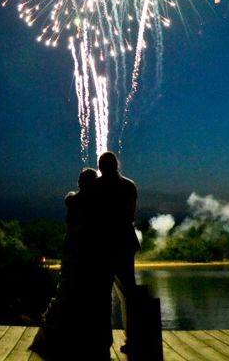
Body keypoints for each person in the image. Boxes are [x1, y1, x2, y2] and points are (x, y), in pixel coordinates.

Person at [30, 168, 112, 361]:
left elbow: (71, 204)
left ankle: (66, 336)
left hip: (73, 252)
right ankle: (88, 339)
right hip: (88, 254)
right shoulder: (97, 204)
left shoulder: (74, 200)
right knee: (89, 295)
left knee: (70, 292)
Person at [94, 151, 140, 355]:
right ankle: (133, 339)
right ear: (117, 165)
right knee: (128, 294)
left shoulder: (96, 187)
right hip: (124, 243)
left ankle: (103, 341)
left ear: (101, 166)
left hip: (103, 245)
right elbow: (129, 215)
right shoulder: (129, 186)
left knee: (101, 296)